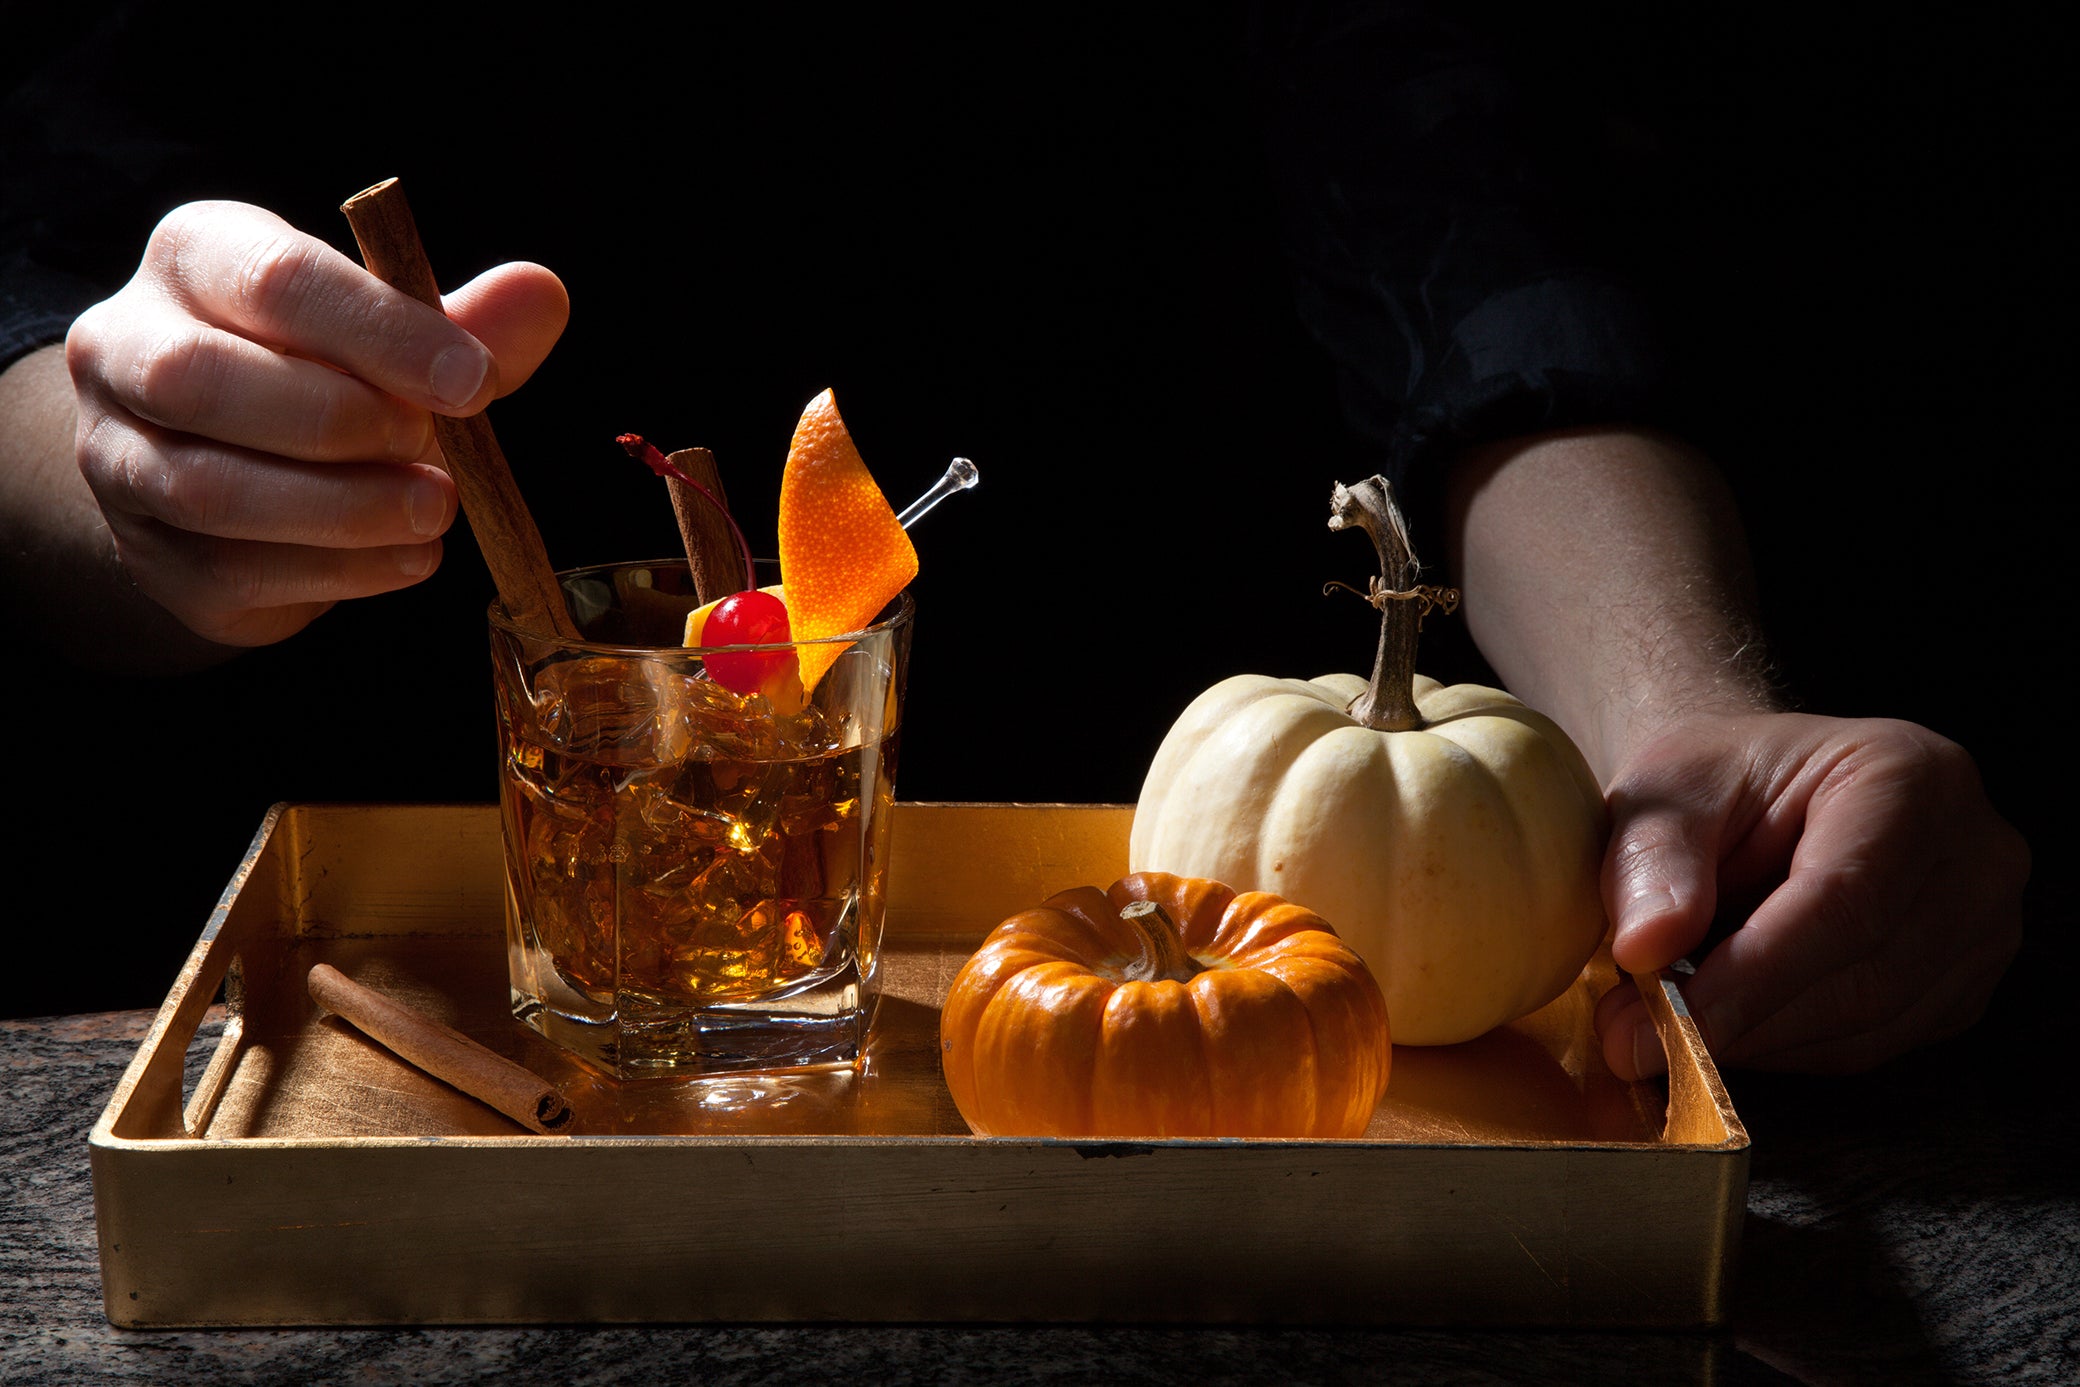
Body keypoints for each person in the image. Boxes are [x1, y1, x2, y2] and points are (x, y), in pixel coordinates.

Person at [0, 4, 2031, 1071]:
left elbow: (1452, 219)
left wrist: (1687, 716)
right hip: (377, 951)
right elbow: (38, 299)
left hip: (1177, 945)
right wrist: (132, 458)